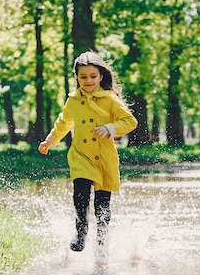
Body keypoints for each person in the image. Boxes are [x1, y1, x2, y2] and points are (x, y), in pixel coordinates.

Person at [38, 51, 137, 254]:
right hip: (81, 156)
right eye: (83, 77)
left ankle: (102, 243)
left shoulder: (110, 99)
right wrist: (50, 141)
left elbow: (130, 122)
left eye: (93, 76)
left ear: (101, 76)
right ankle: (81, 232)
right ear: (77, 78)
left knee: (102, 206)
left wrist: (110, 128)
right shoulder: (73, 101)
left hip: (103, 158)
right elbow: (63, 123)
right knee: (80, 197)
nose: (88, 81)